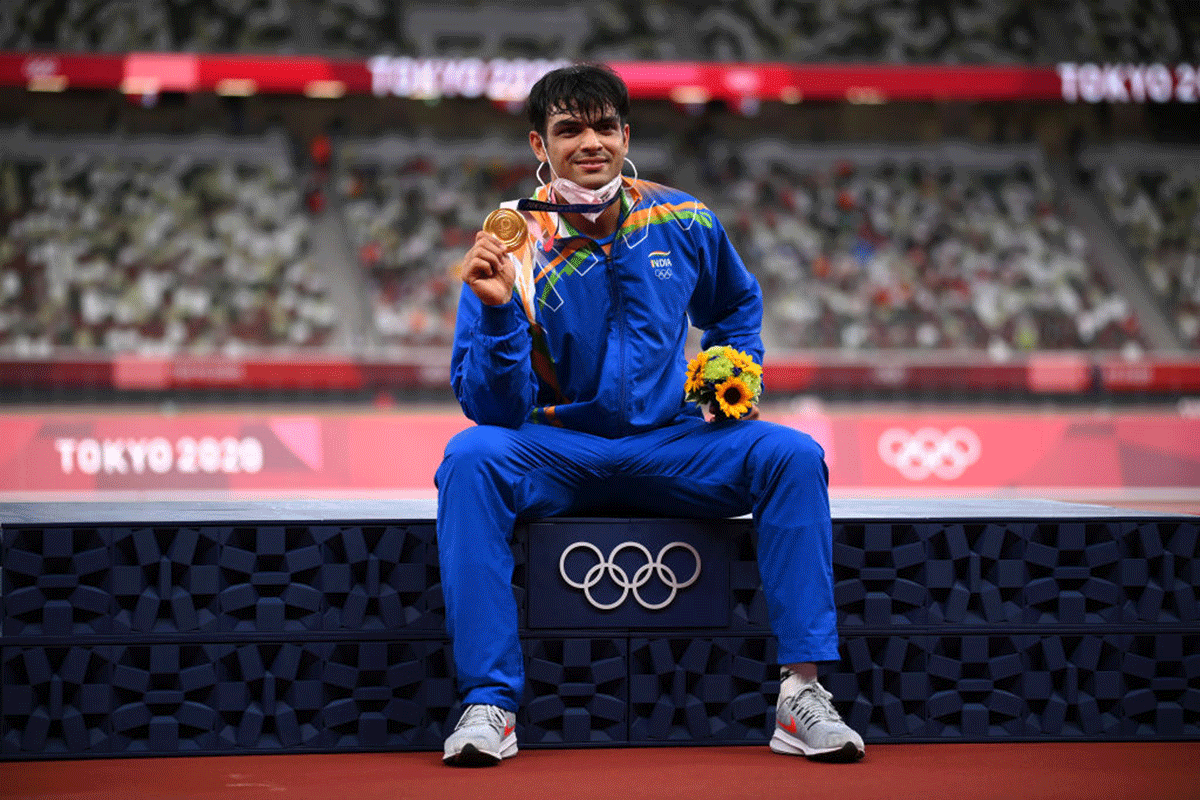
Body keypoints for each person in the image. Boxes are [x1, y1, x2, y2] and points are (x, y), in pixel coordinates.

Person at [435, 64, 864, 766]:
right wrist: (493, 311)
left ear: (626, 134)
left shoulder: (683, 217)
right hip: (558, 447)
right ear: (539, 145)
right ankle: (491, 703)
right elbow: (492, 410)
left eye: (604, 126)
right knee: (470, 458)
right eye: (569, 130)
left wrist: (731, 368)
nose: (590, 143)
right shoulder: (511, 242)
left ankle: (801, 693)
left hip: (673, 443)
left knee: (790, 455)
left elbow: (734, 307)